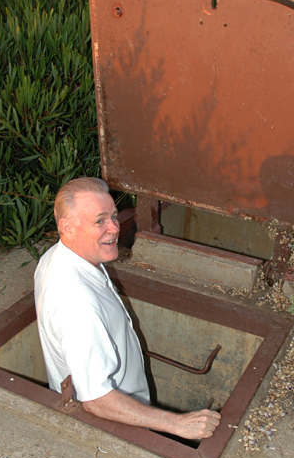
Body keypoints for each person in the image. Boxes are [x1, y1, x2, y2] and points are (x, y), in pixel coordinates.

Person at [34, 177, 221, 440]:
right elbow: (97, 400)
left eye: (113, 215)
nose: (114, 227)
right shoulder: (77, 303)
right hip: (113, 422)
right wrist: (177, 424)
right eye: (99, 221)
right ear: (68, 228)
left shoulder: (59, 256)